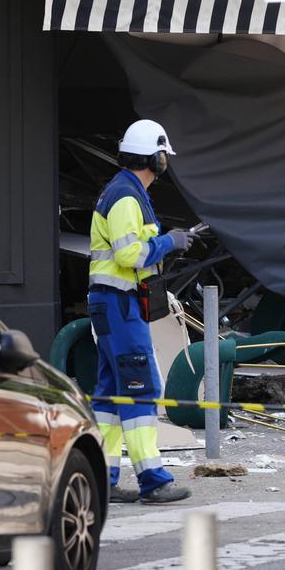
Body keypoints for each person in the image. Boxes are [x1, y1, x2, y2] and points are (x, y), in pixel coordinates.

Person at [88, 119, 197, 504]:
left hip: (113, 302)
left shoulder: (127, 191)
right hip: (119, 303)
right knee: (141, 387)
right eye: (163, 155)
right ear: (155, 158)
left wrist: (170, 244)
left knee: (110, 394)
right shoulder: (126, 196)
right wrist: (169, 242)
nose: (166, 161)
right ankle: (153, 479)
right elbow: (128, 254)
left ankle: (102, 478)